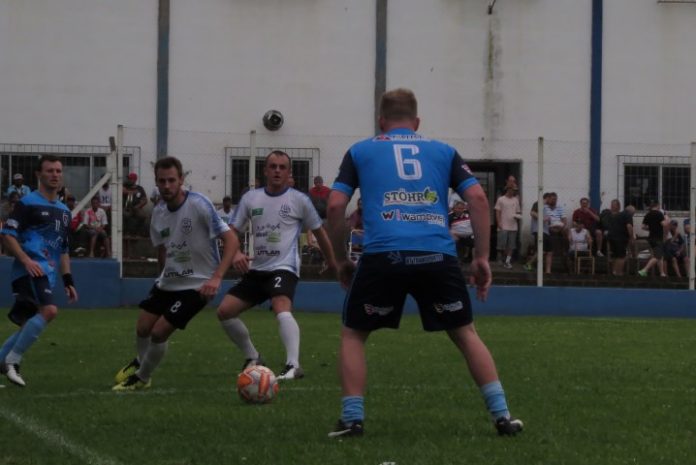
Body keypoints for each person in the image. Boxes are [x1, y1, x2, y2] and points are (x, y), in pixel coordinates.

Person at [325, 88, 523, 438]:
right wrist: (480, 258)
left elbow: (335, 205)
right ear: (416, 122)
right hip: (436, 255)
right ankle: (502, 417)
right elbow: (478, 198)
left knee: (354, 334)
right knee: (465, 333)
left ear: (381, 121)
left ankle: (352, 419)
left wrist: (341, 260)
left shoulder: (360, 150)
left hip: (384, 254)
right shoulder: (443, 151)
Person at [112, 157, 238, 390]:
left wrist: (217, 277)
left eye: (171, 180)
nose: (167, 186)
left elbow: (231, 239)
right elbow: (162, 249)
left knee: (159, 332)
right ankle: (142, 362)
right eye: (162, 181)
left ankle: (141, 378)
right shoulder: (159, 212)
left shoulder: (199, 204)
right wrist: (161, 278)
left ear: (181, 180)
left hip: (199, 284)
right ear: (156, 182)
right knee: (142, 328)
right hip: (169, 281)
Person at [216, 151, 337, 381]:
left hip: (284, 267)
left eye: (282, 167)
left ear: (289, 172)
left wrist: (332, 261)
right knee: (225, 311)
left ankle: (293, 365)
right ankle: (253, 357)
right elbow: (230, 232)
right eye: (273, 166)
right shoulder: (251, 199)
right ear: (265, 171)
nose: (277, 171)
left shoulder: (300, 200)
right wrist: (236, 253)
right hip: (258, 269)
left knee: (281, 305)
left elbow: (320, 232)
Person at [0, 155, 78, 387]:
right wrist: (26, 260)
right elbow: (7, 235)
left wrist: (68, 280)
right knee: (49, 311)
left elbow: (63, 249)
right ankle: (13, 361)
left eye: (58, 171)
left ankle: (3, 360)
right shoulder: (27, 203)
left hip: (48, 274)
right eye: (50, 170)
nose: (55, 175)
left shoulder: (64, 211)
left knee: (29, 325)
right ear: (38, 174)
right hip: (29, 271)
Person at [637, 201, 668, 278]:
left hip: (650, 238)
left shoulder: (648, 214)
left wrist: (651, 228)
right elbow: (664, 224)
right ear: (657, 206)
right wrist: (666, 216)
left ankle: (662, 273)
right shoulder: (659, 214)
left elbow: (643, 227)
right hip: (658, 238)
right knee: (657, 256)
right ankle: (644, 270)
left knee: (660, 255)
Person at [523, 194, 552, 273]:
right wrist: (543, 218)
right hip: (539, 230)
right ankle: (528, 264)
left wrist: (549, 221)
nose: (551, 201)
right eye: (551, 199)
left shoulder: (546, 207)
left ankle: (548, 272)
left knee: (549, 252)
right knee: (541, 250)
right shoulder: (538, 203)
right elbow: (532, 213)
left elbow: (546, 220)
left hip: (546, 231)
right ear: (547, 198)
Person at [606, 200, 635, 276]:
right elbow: (629, 226)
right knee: (621, 256)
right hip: (621, 238)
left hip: (611, 237)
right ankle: (619, 273)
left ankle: (614, 272)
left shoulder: (615, 215)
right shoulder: (628, 215)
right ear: (631, 212)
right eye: (633, 214)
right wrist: (631, 237)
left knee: (615, 256)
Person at [494, 187, 521, 269]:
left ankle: (507, 261)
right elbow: (497, 212)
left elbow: (518, 212)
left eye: (514, 190)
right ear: (508, 190)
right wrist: (499, 222)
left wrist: (517, 216)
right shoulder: (501, 199)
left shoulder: (516, 200)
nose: (513, 192)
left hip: (513, 226)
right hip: (503, 225)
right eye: (512, 190)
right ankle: (500, 258)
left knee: (511, 245)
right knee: (501, 244)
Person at [123, 172, 148, 236]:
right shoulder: (125, 186)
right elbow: (123, 191)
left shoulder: (140, 188)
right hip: (127, 208)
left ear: (134, 180)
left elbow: (145, 200)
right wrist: (133, 192)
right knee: (125, 215)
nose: (128, 180)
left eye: (130, 179)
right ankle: (126, 233)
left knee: (143, 216)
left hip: (137, 207)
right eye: (128, 178)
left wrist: (138, 206)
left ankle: (138, 232)